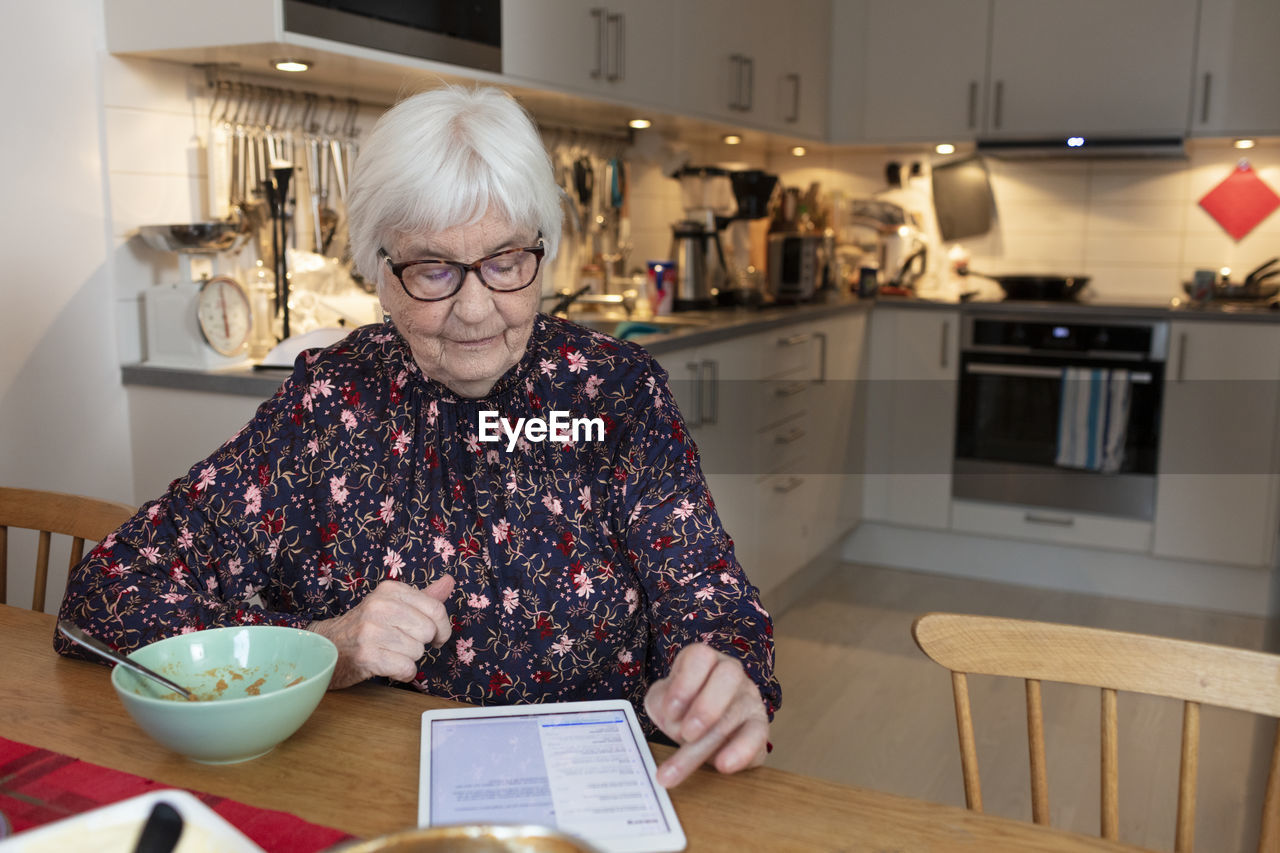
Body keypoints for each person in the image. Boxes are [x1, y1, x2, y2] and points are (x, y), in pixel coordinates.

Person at [56, 85, 780, 787]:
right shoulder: (329, 400)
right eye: (434, 269)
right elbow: (107, 594)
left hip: (592, 796)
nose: (474, 310)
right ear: (380, 273)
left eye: (504, 263)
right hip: (367, 792)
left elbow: (711, 601)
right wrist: (324, 648)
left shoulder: (615, 393)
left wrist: (723, 673)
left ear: (541, 250)